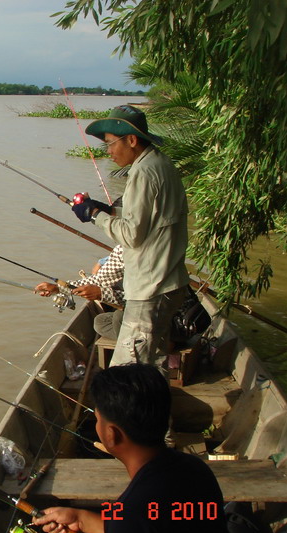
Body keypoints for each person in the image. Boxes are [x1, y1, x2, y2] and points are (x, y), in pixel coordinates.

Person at [32, 363, 230, 533]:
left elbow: (138, 526)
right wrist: (80, 519)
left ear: (111, 435)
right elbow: (156, 523)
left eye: (98, 419)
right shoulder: (196, 469)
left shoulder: (132, 512)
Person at [71, 105, 190, 368]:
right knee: (152, 364)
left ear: (132, 140)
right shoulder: (161, 163)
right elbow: (149, 215)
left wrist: (93, 214)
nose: (109, 152)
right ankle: (158, 408)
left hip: (151, 288)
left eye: (111, 145)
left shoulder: (143, 172)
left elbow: (131, 235)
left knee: (128, 370)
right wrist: (107, 209)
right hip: (169, 282)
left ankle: (142, 409)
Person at [35, 245, 124, 340]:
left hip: (140, 309)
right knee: (100, 322)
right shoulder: (121, 250)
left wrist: (102, 294)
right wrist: (58, 288)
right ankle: (130, 336)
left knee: (118, 317)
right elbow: (99, 279)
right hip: (130, 306)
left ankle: (132, 343)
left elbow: (139, 300)